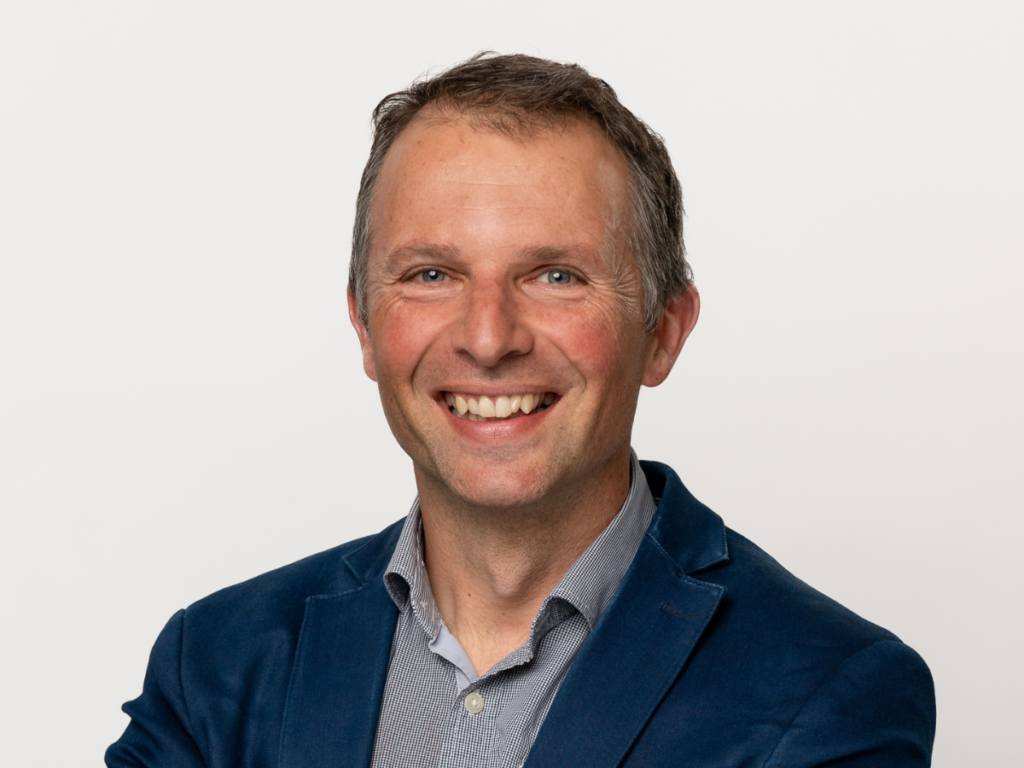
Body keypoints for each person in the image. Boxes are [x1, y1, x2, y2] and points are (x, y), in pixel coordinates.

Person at [106, 53, 936, 768]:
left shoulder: (832, 690)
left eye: (556, 275)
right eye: (432, 274)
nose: (489, 336)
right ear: (365, 326)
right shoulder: (214, 666)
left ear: (663, 333)